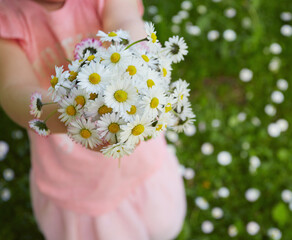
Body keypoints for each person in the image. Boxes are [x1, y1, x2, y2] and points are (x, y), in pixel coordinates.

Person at [0, 0, 186, 239]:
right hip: (74, 171)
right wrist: (69, 114)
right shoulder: (7, 20)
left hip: (135, 143)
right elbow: (14, 88)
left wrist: (135, 68)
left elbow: (124, 21)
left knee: (161, 224)